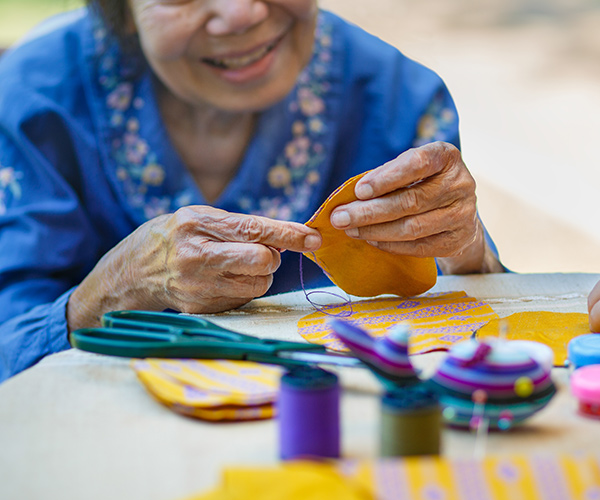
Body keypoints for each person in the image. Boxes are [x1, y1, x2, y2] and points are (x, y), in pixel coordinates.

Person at [0, 0, 504, 383]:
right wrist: (107, 293)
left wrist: (466, 249)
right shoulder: (29, 105)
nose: (241, 13)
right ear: (120, 13)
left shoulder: (398, 97)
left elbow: (486, 339)